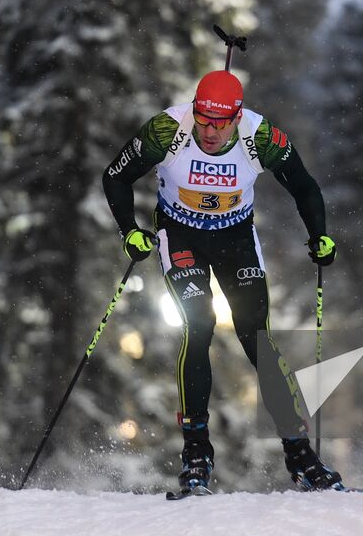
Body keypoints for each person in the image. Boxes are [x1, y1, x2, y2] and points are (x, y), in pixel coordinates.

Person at [102, 69, 343, 492]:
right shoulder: (166, 130)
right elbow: (115, 176)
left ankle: (301, 455)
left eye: (220, 122)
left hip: (235, 238)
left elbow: (303, 186)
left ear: (236, 116)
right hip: (180, 236)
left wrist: (318, 234)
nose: (210, 131)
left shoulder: (259, 136)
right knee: (198, 325)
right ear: (194, 109)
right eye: (203, 119)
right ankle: (196, 452)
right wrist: (131, 232)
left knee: (258, 340)